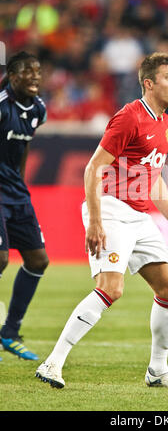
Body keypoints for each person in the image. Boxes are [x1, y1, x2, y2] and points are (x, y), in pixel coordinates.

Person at [35, 52, 168, 389]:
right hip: (110, 209)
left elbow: (152, 179)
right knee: (111, 288)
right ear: (149, 83)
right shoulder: (129, 117)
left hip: (138, 216)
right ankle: (53, 363)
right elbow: (93, 167)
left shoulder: (166, 125)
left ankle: (157, 370)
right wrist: (95, 220)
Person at [0, 51, 49, 361]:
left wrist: (19, 182)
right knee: (0, 259)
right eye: (28, 72)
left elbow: (24, 146)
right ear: (13, 76)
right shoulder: (1, 106)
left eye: (38, 72)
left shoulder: (39, 109)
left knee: (38, 260)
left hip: (16, 192)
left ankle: (10, 332)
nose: (35, 77)